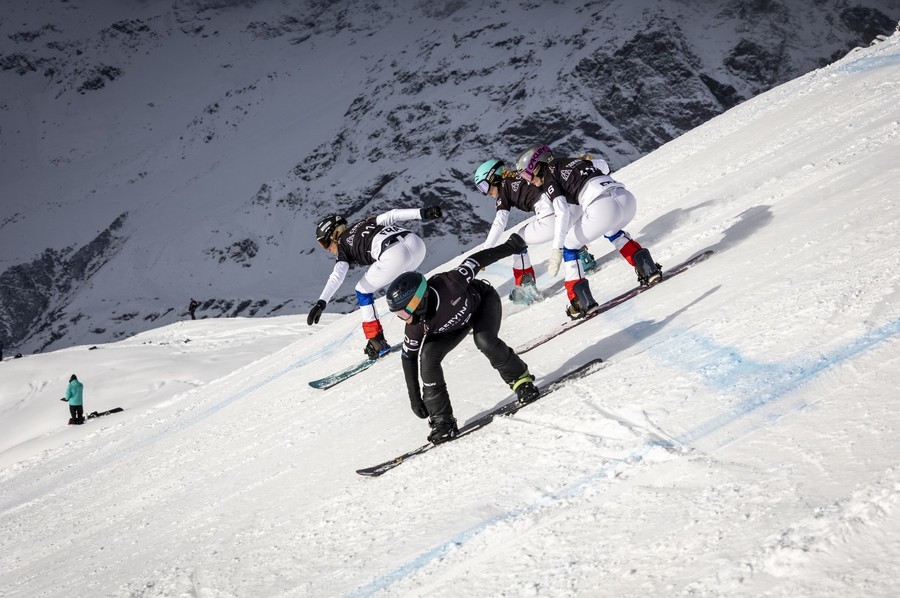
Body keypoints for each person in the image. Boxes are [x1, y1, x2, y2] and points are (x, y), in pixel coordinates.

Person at [385, 233, 541, 444]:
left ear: (418, 301)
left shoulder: (451, 283)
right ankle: (443, 422)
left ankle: (522, 382)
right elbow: (408, 358)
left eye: (404, 313)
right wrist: (415, 397)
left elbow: (478, 260)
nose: (405, 319)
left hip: (481, 303)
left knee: (484, 340)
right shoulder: (414, 326)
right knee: (427, 359)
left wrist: (511, 246)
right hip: (450, 328)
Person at [516, 145, 662, 320]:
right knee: (612, 231)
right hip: (626, 199)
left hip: (602, 206)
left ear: (538, 166)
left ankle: (580, 301)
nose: (528, 181)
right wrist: (588, 161)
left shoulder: (549, 177)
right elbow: (604, 166)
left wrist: (557, 248)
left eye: (526, 175)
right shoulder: (575, 161)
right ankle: (648, 268)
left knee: (570, 245)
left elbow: (561, 212)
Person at [308, 205, 443, 359]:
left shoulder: (343, 245)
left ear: (334, 235)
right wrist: (424, 212)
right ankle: (438, 310)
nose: (326, 249)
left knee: (362, 289)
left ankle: (376, 341)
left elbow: (337, 276)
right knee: (407, 284)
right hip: (415, 243)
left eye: (325, 244)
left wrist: (321, 302)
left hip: (393, 254)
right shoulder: (367, 222)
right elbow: (392, 215)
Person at [473, 159, 595, 304]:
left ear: (494, 178)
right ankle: (583, 257)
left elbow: (500, 222)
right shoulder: (518, 175)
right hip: (569, 207)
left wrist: (484, 251)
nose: (485, 193)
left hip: (550, 217)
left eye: (484, 186)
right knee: (565, 229)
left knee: (518, 240)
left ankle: (526, 287)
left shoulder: (504, 188)